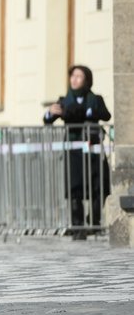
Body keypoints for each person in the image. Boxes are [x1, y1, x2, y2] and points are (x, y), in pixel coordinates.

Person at [43, 65, 112, 240]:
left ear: (86, 80)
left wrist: (88, 112)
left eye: (79, 76)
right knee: (75, 188)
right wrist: (49, 113)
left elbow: (106, 115)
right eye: (72, 76)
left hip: (92, 149)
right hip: (74, 150)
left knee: (99, 187)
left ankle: (94, 222)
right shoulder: (64, 100)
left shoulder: (95, 99)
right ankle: (78, 226)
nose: (74, 79)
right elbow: (48, 120)